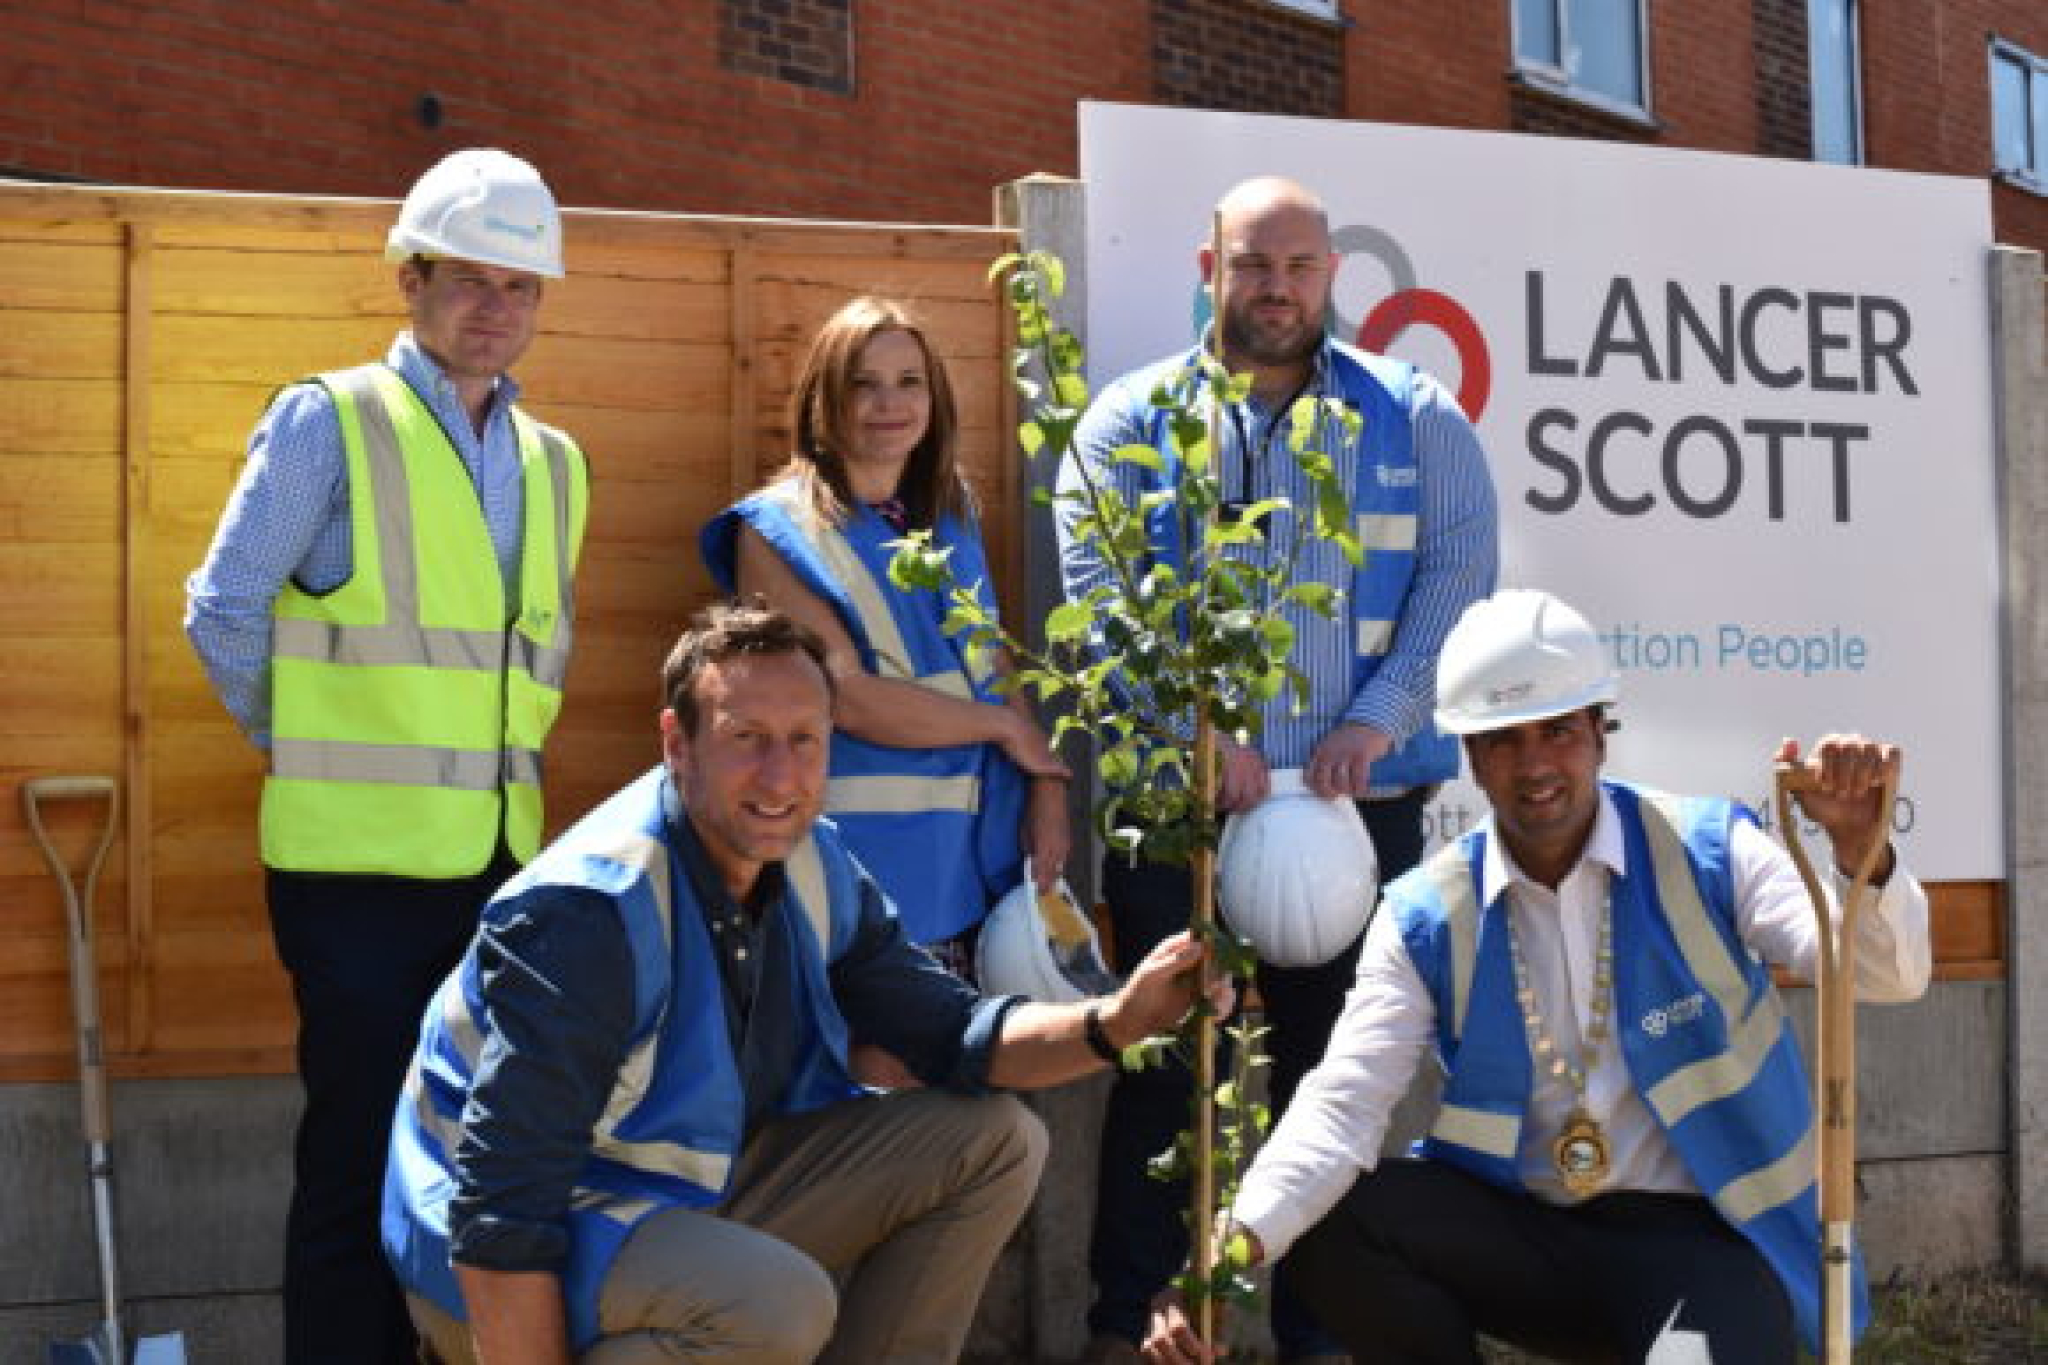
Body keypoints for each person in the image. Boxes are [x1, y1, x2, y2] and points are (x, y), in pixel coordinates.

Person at [382, 601, 1218, 1364]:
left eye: (804, 740)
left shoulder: (815, 860)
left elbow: (956, 1034)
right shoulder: (592, 909)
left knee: (998, 1140)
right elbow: (500, 1211)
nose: (781, 778)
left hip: (676, 1201)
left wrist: (1123, 1017)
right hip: (498, 1262)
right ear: (678, 742)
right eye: (747, 737)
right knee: (775, 1306)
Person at [1142, 588, 1933, 1365]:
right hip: (1533, 1234)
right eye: (1505, 739)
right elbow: (1343, 1102)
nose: (1535, 765)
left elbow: (1883, 974)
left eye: (1558, 731)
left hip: (1709, 1241)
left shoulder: (1712, 850)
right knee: (1339, 1228)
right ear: (1472, 758)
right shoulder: (1426, 910)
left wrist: (1865, 858)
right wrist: (1222, 1253)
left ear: (1599, 733)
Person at [1056, 175, 1498, 1361]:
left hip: (1365, 811)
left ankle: (1316, 1335)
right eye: (1254, 264)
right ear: (1210, 271)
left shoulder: (1415, 418)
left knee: (1328, 1084)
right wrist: (1191, 736)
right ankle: (1127, 1329)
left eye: (1299, 267)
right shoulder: (1126, 423)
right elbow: (1099, 604)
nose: (1276, 288)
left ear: (1330, 277)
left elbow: (1456, 585)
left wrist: (1377, 718)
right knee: (1161, 1069)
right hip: (1179, 812)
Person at [183, 148, 588, 1364]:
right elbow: (224, 609)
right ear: (410, 280)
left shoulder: (553, 463)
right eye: (468, 279)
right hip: (353, 882)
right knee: (359, 1166)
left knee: (471, 1166)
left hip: (497, 877)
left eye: (518, 286)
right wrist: (300, 742)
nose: (494, 308)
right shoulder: (331, 419)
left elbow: (530, 664)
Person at [702, 295, 1069, 971]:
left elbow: (994, 665)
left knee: (963, 1070)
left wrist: (1046, 786)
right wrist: (1008, 732)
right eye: (862, 385)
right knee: (866, 1074)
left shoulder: (950, 513)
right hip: (853, 876)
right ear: (823, 399)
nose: (888, 403)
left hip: (972, 871)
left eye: (909, 382)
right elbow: (848, 698)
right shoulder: (774, 531)